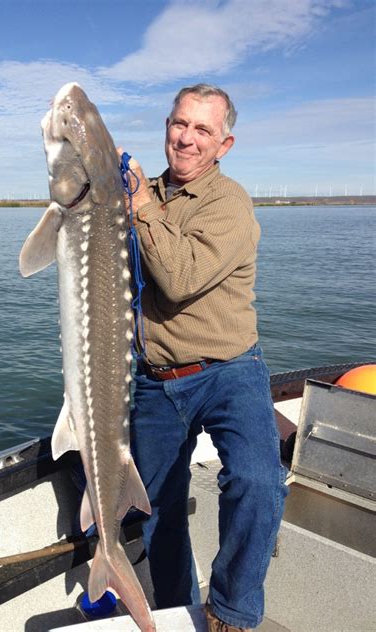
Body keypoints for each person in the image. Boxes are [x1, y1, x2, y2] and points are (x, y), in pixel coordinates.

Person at [121, 84, 288, 632]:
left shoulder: (230, 204)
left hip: (228, 371)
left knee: (258, 481)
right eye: (179, 124)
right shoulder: (138, 194)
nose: (186, 139)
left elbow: (179, 278)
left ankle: (231, 613)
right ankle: (175, 609)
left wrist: (141, 206)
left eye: (203, 130)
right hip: (154, 380)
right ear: (167, 125)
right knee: (157, 510)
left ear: (225, 143)